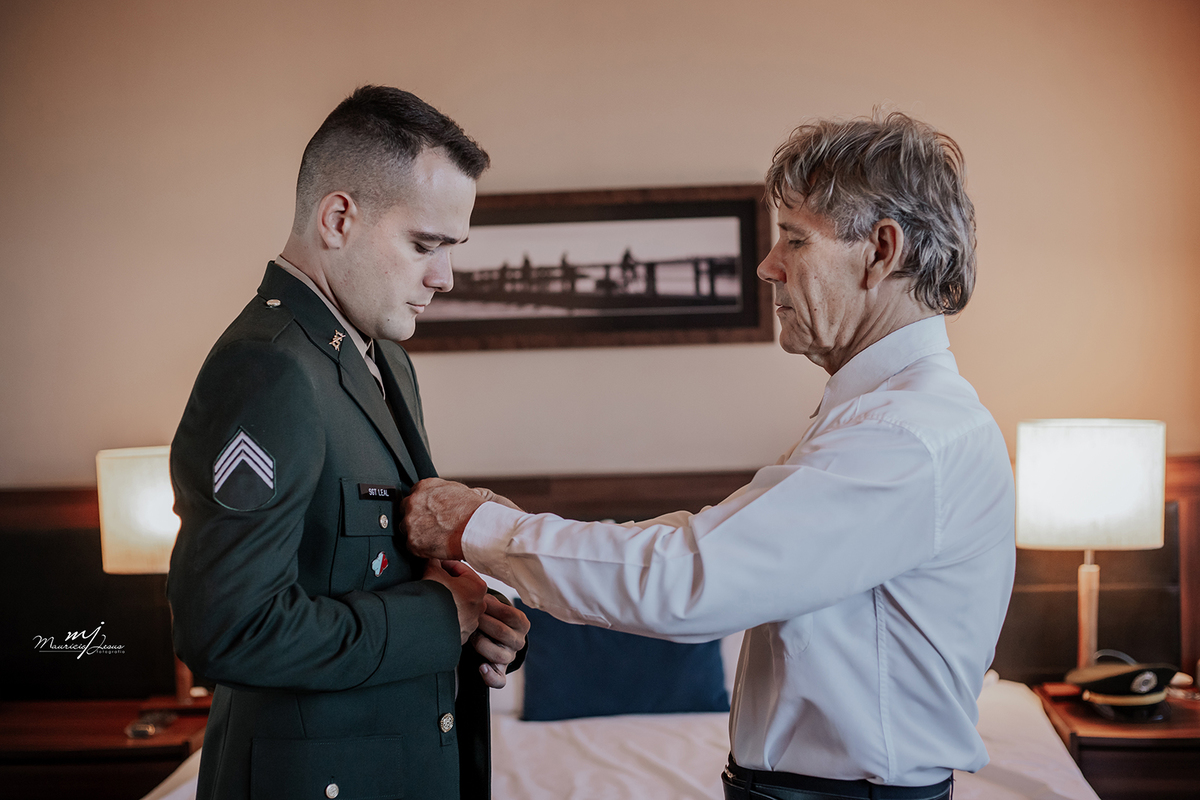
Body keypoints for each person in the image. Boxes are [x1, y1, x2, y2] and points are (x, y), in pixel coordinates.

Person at [403, 112, 1015, 800]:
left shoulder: (903, 436)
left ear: (880, 250)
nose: (768, 265)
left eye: (794, 239)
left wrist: (476, 527)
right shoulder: (888, 420)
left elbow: (689, 577)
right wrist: (501, 526)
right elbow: (700, 544)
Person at [167, 86, 529, 800]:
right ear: (338, 219)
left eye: (451, 249)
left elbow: (380, 569)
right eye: (424, 245)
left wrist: (476, 621)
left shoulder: (383, 357)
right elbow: (227, 630)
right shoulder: (266, 368)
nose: (444, 278)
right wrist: (439, 619)